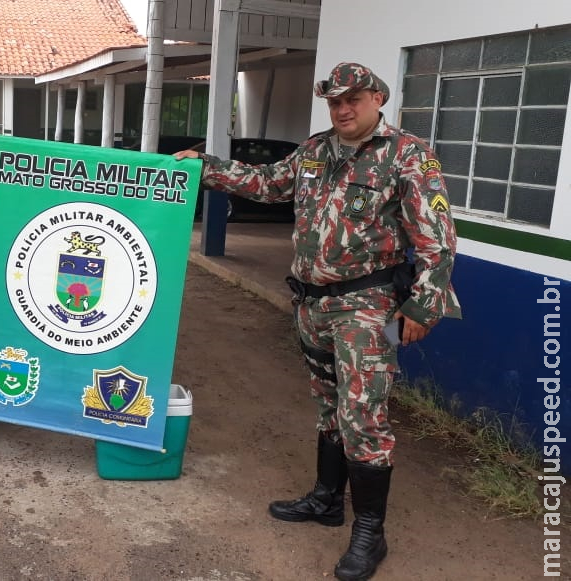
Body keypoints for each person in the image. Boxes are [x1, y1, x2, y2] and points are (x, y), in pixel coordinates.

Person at [175, 62, 461, 581]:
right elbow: (266, 183)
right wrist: (206, 165)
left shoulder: (408, 155)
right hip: (312, 304)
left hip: (366, 306)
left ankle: (369, 533)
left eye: (353, 99)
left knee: (363, 416)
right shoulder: (315, 150)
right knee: (328, 406)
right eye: (334, 102)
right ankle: (327, 500)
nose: (343, 109)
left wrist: (424, 303)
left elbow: (436, 238)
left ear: (377, 98)